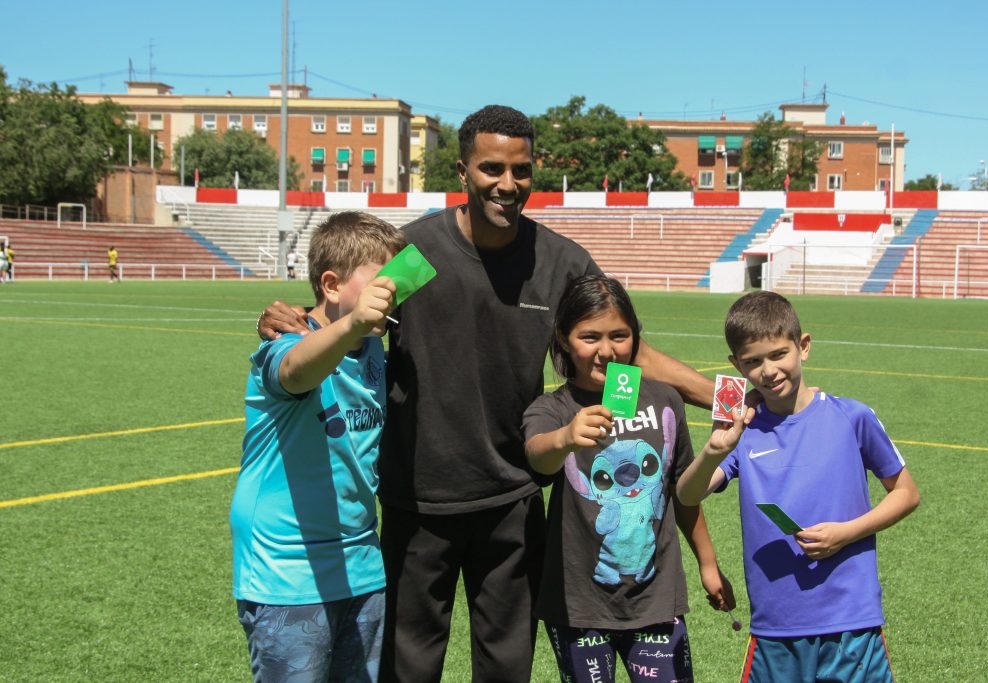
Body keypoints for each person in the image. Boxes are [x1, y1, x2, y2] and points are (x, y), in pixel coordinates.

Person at [259, 104, 714, 682]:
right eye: (491, 168)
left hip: (514, 502)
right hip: (417, 502)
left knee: (506, 670)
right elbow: (352, 309)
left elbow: (624, 350)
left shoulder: (559, 261)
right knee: (409, 670)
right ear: (463, 170)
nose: (507, 184)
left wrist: (725, 395)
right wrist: (295, 316)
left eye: (520, 170)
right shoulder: (417, 252)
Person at [677, 291, 920, 683]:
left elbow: (907, 493)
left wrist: (846, 533)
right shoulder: (745, 433)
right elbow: (687, 495)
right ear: (736, 365)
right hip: (776, 627)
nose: (768, 371)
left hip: (850, 622)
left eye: (778, 354)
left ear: (802, 346)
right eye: (753, 362)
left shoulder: (852, 416)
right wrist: (713, 449)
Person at [522, 275, 734, 683]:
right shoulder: (553, 409)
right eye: (590, 337)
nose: (606, 351)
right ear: (564, 339)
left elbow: (681, 490)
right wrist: (566, 438)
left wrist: (708, 563)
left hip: (655, 600)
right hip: (578, 604)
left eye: (620, 335)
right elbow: (539, 457)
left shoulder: (664, 402)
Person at [232, 211, 405, 682]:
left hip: (362, 567)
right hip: (286, 573)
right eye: (384, 282)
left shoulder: (373, 348)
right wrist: (350, 326)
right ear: (331, 285)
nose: (396, 293)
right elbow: (295, 372)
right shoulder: (283, 342)